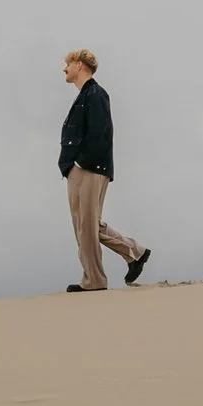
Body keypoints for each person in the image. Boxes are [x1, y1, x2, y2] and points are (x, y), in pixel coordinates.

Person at [58, 48, 151, 292]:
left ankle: (94, 280)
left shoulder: (96, 94)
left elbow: (101, 133)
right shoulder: (85, 96)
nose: (64, 69)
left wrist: (80, 163)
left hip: (88, 168)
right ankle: (135, 252)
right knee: (87, 225)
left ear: (79, 65)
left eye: (67, 64)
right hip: (81, 169)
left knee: (85, 226)